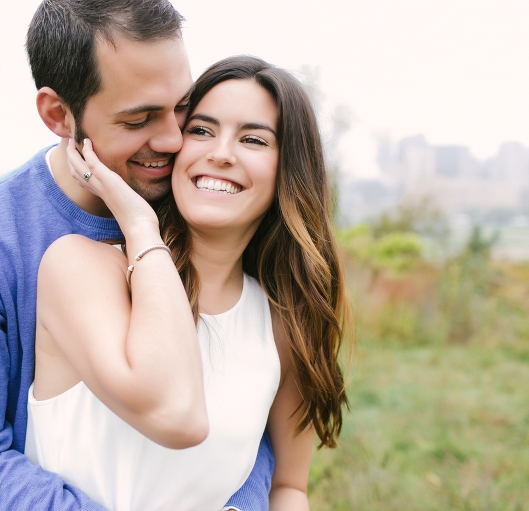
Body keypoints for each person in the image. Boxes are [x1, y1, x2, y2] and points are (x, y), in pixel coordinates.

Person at [0, 1, 274, 510]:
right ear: (58, 115)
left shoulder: (205, 200)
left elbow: (249, 401)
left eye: (180, 106)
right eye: (139, 119)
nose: (174, 139)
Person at [26, 55, 352, 510]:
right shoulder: (81, 268)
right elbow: (174, 413)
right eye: (201, 130)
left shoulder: (283, 327)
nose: (220, 153)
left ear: (288, 171)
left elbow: (289, 488)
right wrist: (141, 228)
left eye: (254, 139)